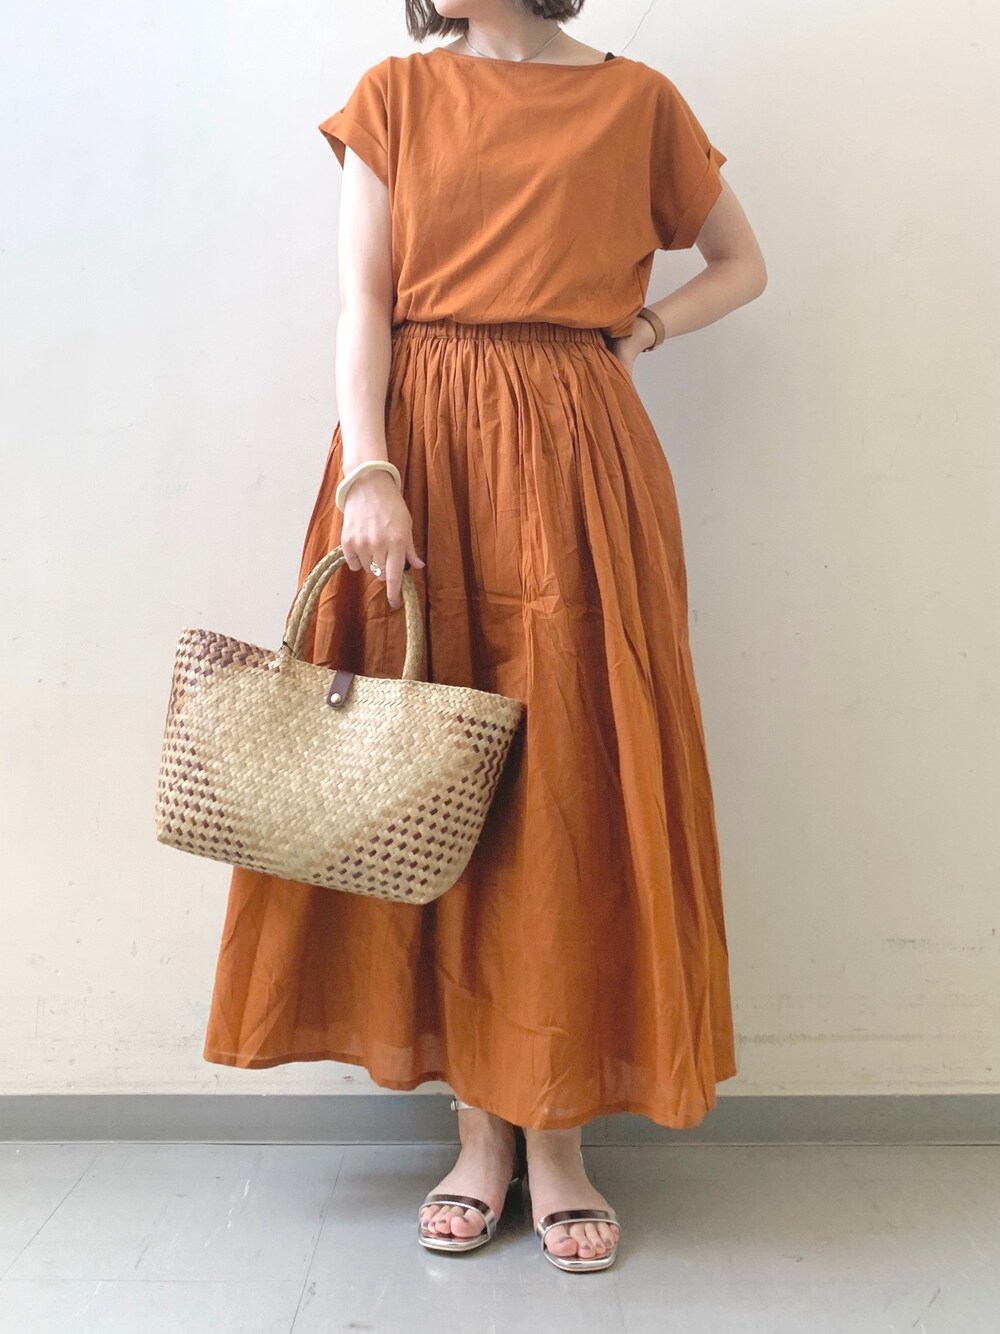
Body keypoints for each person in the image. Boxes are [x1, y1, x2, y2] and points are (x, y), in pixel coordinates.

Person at [202, 0, 767, 1272]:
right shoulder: (394, 95)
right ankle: (478, 1137)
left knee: (568, 782)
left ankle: (556, 1139)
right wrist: (370, 467)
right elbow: (363, 301)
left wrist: (648, 326)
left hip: (578, 455)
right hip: (422, 453)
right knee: (431, 777)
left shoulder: (638, 102)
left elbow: (741, 262)